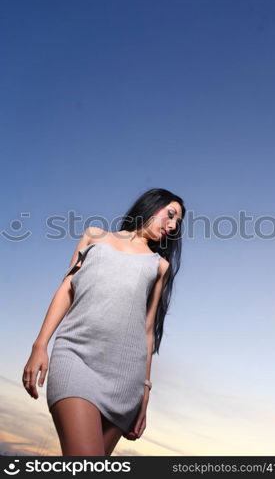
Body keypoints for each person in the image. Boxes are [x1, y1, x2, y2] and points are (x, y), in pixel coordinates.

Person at [22, 188, 186, 456]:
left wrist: (144, 396)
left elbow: (147, 331)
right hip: (76, 358)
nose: (172, 225)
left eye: (177, 223)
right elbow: (67, 288)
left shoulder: (160, 266)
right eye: (170, 215)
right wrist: (39, 345)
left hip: (126, 381)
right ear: (151, 205)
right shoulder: (94, 237)